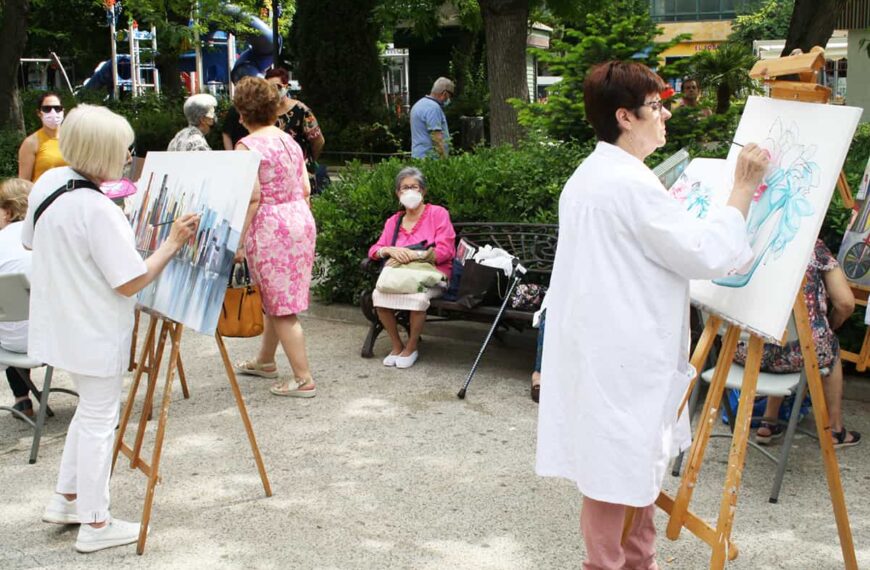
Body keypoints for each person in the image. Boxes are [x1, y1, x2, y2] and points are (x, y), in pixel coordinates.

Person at [535, 60, 769, 569]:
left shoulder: (597, 174)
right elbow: (704, 252)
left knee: (627, 473)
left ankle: (641, 562)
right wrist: (743, 189)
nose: (666, 115)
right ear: (626, 116)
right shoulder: (626, 184)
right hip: (622, 355)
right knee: (613, 478)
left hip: (610, 351)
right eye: (656, 106)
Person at [22, 104, 199, 553]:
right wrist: (173, 242)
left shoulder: (49, 183)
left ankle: (67, 498)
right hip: (93, 327)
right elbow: (132, 280)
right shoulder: (97, 208)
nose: (128, 156)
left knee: (90, 410)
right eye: (125, 149)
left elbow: (30, 240)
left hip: (60, 319)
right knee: (101, 418)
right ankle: (96, 522)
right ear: (105, 151)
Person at [229, 77, 318, 398]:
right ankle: (265, 361)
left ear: (242, 112)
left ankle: (303, 378)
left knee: (282, 308)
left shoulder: (246, 146)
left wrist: (237, 242)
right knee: (276, 299)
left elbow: (252, 198)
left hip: (269, 226)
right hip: (299, 219)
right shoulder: (289, 141)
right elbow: (306, 188)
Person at [734, 239, 860, 448]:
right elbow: (846, 303)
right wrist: (830, 325)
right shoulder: (813, 246)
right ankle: (835, 430)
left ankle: (769, 421)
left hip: (743, 351)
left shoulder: (752, 238)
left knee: (784, 342)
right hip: (797, 354)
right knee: (824, 346)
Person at [367, 167, 456, 369]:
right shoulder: (394, 221)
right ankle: (397, 345)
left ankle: (412, 346)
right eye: (404, 188)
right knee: (379, 295)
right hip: (401, 276)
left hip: (432, 273)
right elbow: (375, 249)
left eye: (414, 187)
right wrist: (389, 250)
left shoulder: (438, 214)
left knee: (417, 298)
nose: (409, 191)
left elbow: (446, 250)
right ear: (398, 193)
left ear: (423, 191)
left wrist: (415, 255)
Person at [0, 178, 34, 417]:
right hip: (53, 341)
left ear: (8, 212)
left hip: (7, 343)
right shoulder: (45, 237)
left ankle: (22, 400)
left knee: (11, 316)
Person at [264, 68, 326, 191]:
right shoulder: (264, 112)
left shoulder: (301, 110)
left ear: (286, 87)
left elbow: (318, 141)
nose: (273, 92)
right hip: (273, 176)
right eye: (268, 87)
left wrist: (308, 161)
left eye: (277, 86)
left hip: (300, 174)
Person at [17, 93, 68, 182]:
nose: (53, 112)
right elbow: (24, 182)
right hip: (44, 195)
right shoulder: (31, 143)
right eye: (47, 109)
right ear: (39, 113)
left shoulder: (74, 139)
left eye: (57, 108)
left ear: (63, 111)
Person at [410, 77, 454, 159]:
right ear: (444, 94)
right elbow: (437, 138)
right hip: (431, 161)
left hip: (417, 157)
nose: (449, 99)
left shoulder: (418, 104)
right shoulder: (433, 108)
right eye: (450, 96)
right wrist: (444, 161)